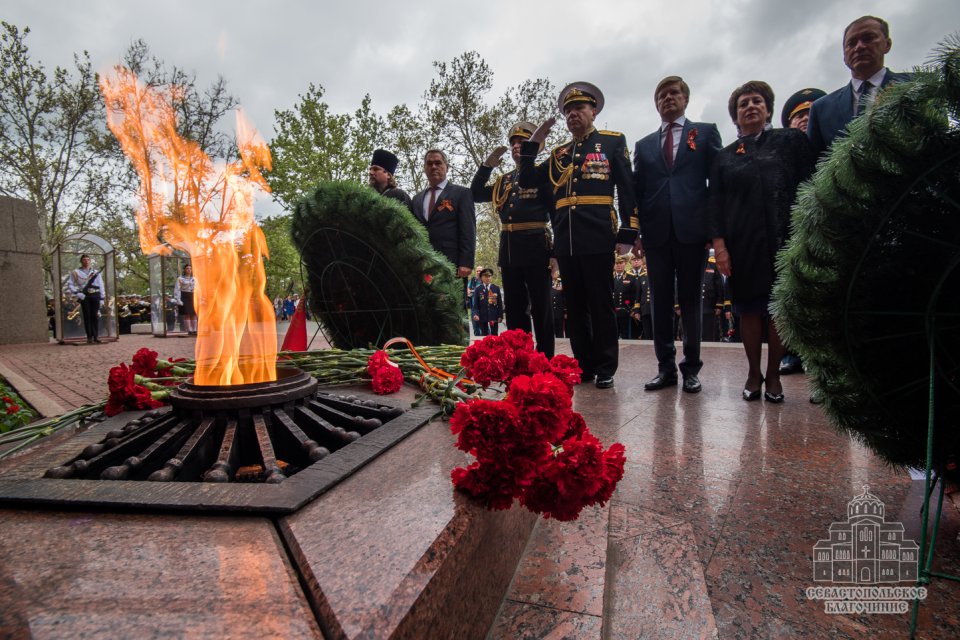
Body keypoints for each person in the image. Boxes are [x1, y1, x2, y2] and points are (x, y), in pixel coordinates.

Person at [520, 82, 639, 389]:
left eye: (579, 108)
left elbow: (626, 187)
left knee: (600, 303)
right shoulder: (559, 153)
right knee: (575, 307)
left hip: (598, 233)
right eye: (568, 111)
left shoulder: (611, 142)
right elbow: (527, 179)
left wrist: (630, 227)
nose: (573, 115)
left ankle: (605, 366)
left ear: (593, 111)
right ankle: (584, 365)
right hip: (566, 238)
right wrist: (534, 144)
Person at [708, 81, 816, 403]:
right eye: (743, 104)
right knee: (750, 310)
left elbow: (810, 186)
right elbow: (715, 204)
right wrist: (720, 247)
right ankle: (753, 373)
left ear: (768, 108)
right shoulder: (724, 157)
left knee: (779, 310)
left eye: (757, 101)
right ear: (735, 116)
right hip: (743, 244)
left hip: (786, 238)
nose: (751, 107)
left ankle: (773, 374)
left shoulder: (790, 141)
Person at [633, 76, 722, 394]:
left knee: (690, 300)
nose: (667, 98)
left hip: (692, 230)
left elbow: (717, 184)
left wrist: (715, 231)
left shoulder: (706, 132)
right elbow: (638, 192)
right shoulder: (643, 145)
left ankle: (691, 368)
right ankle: (665, 368)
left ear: (685, 98)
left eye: (673, 93)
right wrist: (637, 233)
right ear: (656, 104)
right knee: (658, 301)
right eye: (661, 95)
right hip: (656, 233)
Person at [472, 121, 556, 357]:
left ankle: (545, 356)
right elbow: (475, 193)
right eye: (514, 143)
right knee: (516, 309)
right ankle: (521, 355)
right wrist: (486, 166)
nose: (517, 146)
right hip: (509, 249)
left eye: (523, 142)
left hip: (537, 246)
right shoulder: (504, 180)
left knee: (541, 307)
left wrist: (555, 254)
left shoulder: (543, 174)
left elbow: (556, 213)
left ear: (536, 146)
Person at [807, 15, 912, 156]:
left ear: (887, 44)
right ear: (844, 55)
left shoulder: (915, 84)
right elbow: (816, 165)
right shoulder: (822, 109)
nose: (859, 47)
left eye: (868, 38)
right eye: (851, 43)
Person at [778, 87, 826, 374]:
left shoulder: (829, 145)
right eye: (798, 116)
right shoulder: (784, 151)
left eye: (810, 114)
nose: (805, 119)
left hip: (826, 226)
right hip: (791, 229)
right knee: (790, 291)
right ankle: (791, 352)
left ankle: (822, 357)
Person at [413, 150, 476, 281]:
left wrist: (466, 262)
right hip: (422, 264)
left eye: (438, 163)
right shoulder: (417, 199)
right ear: (424, 168)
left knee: (451, 301)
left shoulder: (462, 193)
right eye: (429, 164)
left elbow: (468, 229)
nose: (433, 167)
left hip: (451, 263)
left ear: (447, 167)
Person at [67, 254, 104, 343]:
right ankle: (89, 337)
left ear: (90, 261)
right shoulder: (76, 272)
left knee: (95, 316)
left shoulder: (95, 272)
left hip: (95, 294)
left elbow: (101, 284)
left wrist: (102, 297)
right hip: (84, 295)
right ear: (81, 261)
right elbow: (70, 283)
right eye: (84, 260)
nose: (86, 261)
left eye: (88, 259)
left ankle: (96, 336)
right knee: (87, 316)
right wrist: (76, 293)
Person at [612, 256, 640, 339]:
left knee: (625, 335)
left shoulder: (631, 277)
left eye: (621, 263)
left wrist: (633, 309)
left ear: (625, 264)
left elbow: (635, 295)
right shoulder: (610, 277)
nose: (618, 265)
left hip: (625, 311)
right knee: (613, 335)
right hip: (612, 310)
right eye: (616, 263)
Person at [701, 250, 725, 342]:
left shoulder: (712, 265)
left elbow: (719, 286)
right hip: (695, 306)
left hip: (709, 305)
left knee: (709, 334)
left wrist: (719, 305)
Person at [471, 268, 503, 336]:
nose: (488, 278)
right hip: (483, 316)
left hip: (494, 316)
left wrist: (500, 315)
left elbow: (500, 304)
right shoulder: (478, 289)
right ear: (481, 277)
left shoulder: (495, 288)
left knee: (495, 335)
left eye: (489, 276)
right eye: (485, 276)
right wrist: (475, 314)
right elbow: (475, 305)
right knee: (484, 335)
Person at [173, 264, 197, 335]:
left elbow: (198, 288)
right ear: (184, 270)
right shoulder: (180, 279)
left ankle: (195, 329)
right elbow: (177, 289)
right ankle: (189, 330)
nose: (189, 270)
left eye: (190, 268)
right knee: (187, 314)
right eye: (187, 268)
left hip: (193, 295)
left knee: (194, 313)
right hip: (184, 295)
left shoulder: (194, 279)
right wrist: (178, 299)